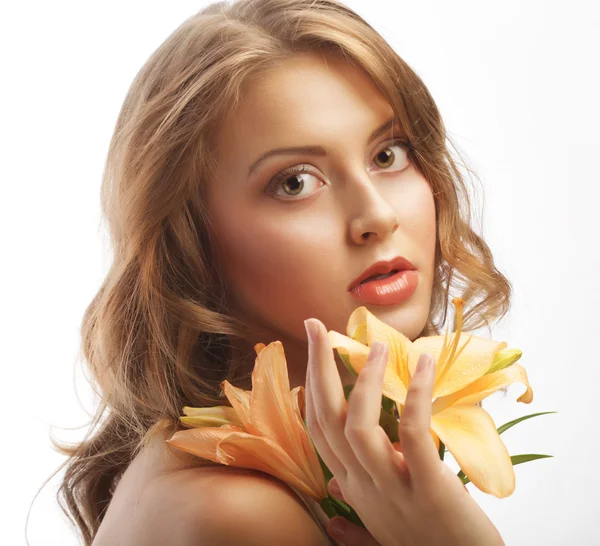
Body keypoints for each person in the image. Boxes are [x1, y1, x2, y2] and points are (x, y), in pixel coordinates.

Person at [50, 0, 512, 544]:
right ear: (190, 240)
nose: (378, 217)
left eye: (388, 155)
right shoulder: (238, 513)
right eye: (295, 182)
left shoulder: (284, 469)